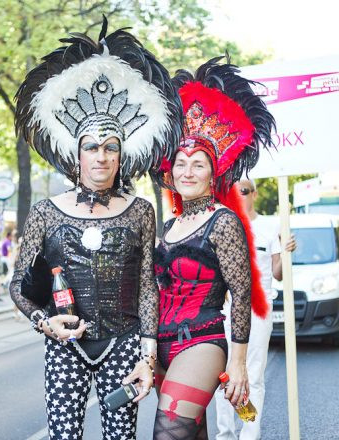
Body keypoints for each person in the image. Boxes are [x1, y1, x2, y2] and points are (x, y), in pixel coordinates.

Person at [11, 17, 182, 440]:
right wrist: (44, 322)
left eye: (111, 147)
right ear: (77, 156)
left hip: (124, 347)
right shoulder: (46, 211)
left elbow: (147, 286)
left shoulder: (141, 211)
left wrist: (147, 355)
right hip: (64, 348)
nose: (101, 157)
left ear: (121, 156)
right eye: (92, 147)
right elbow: (18, 284)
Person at [151, 57, 275, 439]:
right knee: (191, 435)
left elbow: (241, 295)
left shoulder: (223, 221)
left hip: (202, 341)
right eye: (181, 164)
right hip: (164, 346)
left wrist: (238, 364)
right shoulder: (169, 226)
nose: (187, 171)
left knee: (169, 431)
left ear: (213, 173)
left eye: (198, 165)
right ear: (170, 172)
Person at [214, 178, 297, 440]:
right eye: (235, 192)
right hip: (226, 310)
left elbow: (279, 274)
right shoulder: (224, 222)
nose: (240, 195)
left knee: (253, 375)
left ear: (255, 194)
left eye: (245, 191)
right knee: (224, 375)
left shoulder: (271, 226)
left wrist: (285, 253)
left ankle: (249, 434)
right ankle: (225, 434)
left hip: (258, 310)